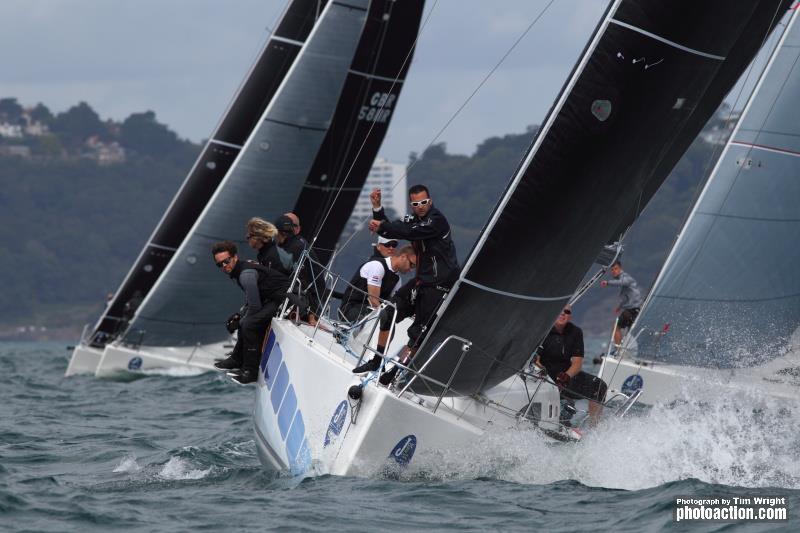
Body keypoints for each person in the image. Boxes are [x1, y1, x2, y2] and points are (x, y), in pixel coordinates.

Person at [357, 185, 458, 384]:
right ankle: (377, 360)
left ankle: (395, 373)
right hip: (421, 280)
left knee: (419, 333)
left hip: (439, 285)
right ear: (411, 204)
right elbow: (395, 226)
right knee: (388, 312)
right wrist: (377, 210)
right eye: (415, 204)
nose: (420, 207)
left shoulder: (437, 221)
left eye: (424, 202)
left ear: (430, 200)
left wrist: (382, 226)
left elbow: (408, 232)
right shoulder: (413, 219)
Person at [212, 240, 290, 384]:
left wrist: (241, 319)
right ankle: (237, 360)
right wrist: (239, 315)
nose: (224, 266)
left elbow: (255, 307)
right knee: (244, 320)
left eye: (226, 261)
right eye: (219, 264)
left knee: (248, 324)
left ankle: (250, 372)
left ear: (234, 257)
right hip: (272, 298)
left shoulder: (245, 275)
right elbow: (253, 301)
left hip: (286, 298)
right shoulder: (239, 270)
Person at [533, 306, 607, 426]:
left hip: (566, 375)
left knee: (599, 386)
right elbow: (536, 360)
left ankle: (593, 428)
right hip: (546, 376)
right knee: (564, 409)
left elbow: (577, 363)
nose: (563, 314)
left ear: (570, 315)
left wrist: (566, 376)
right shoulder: (544, 329)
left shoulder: (575, 332)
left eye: (567, 312)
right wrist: (545, 375)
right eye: (560, 310)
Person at [339, 244, 417, 323]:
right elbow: (373, 300)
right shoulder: (378, 266)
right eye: (412, 265)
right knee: (384, 321)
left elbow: (392, 304)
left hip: (371, 312)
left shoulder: (397, 279)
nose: (411, 269)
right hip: (350, 308)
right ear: (403, 256)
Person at [599, 260, 643, 348]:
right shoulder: (622, 280)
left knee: (617, 328)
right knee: (630, 331)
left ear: (620, 269)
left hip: (633, 309)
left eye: (616, 269)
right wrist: (620, 306)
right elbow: (627, 297)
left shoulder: (625, 277)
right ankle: (628, 351)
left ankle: (618, 350)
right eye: (612, 270)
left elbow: (623, 282)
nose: (614, 271)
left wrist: (608, 283)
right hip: (634, 309)